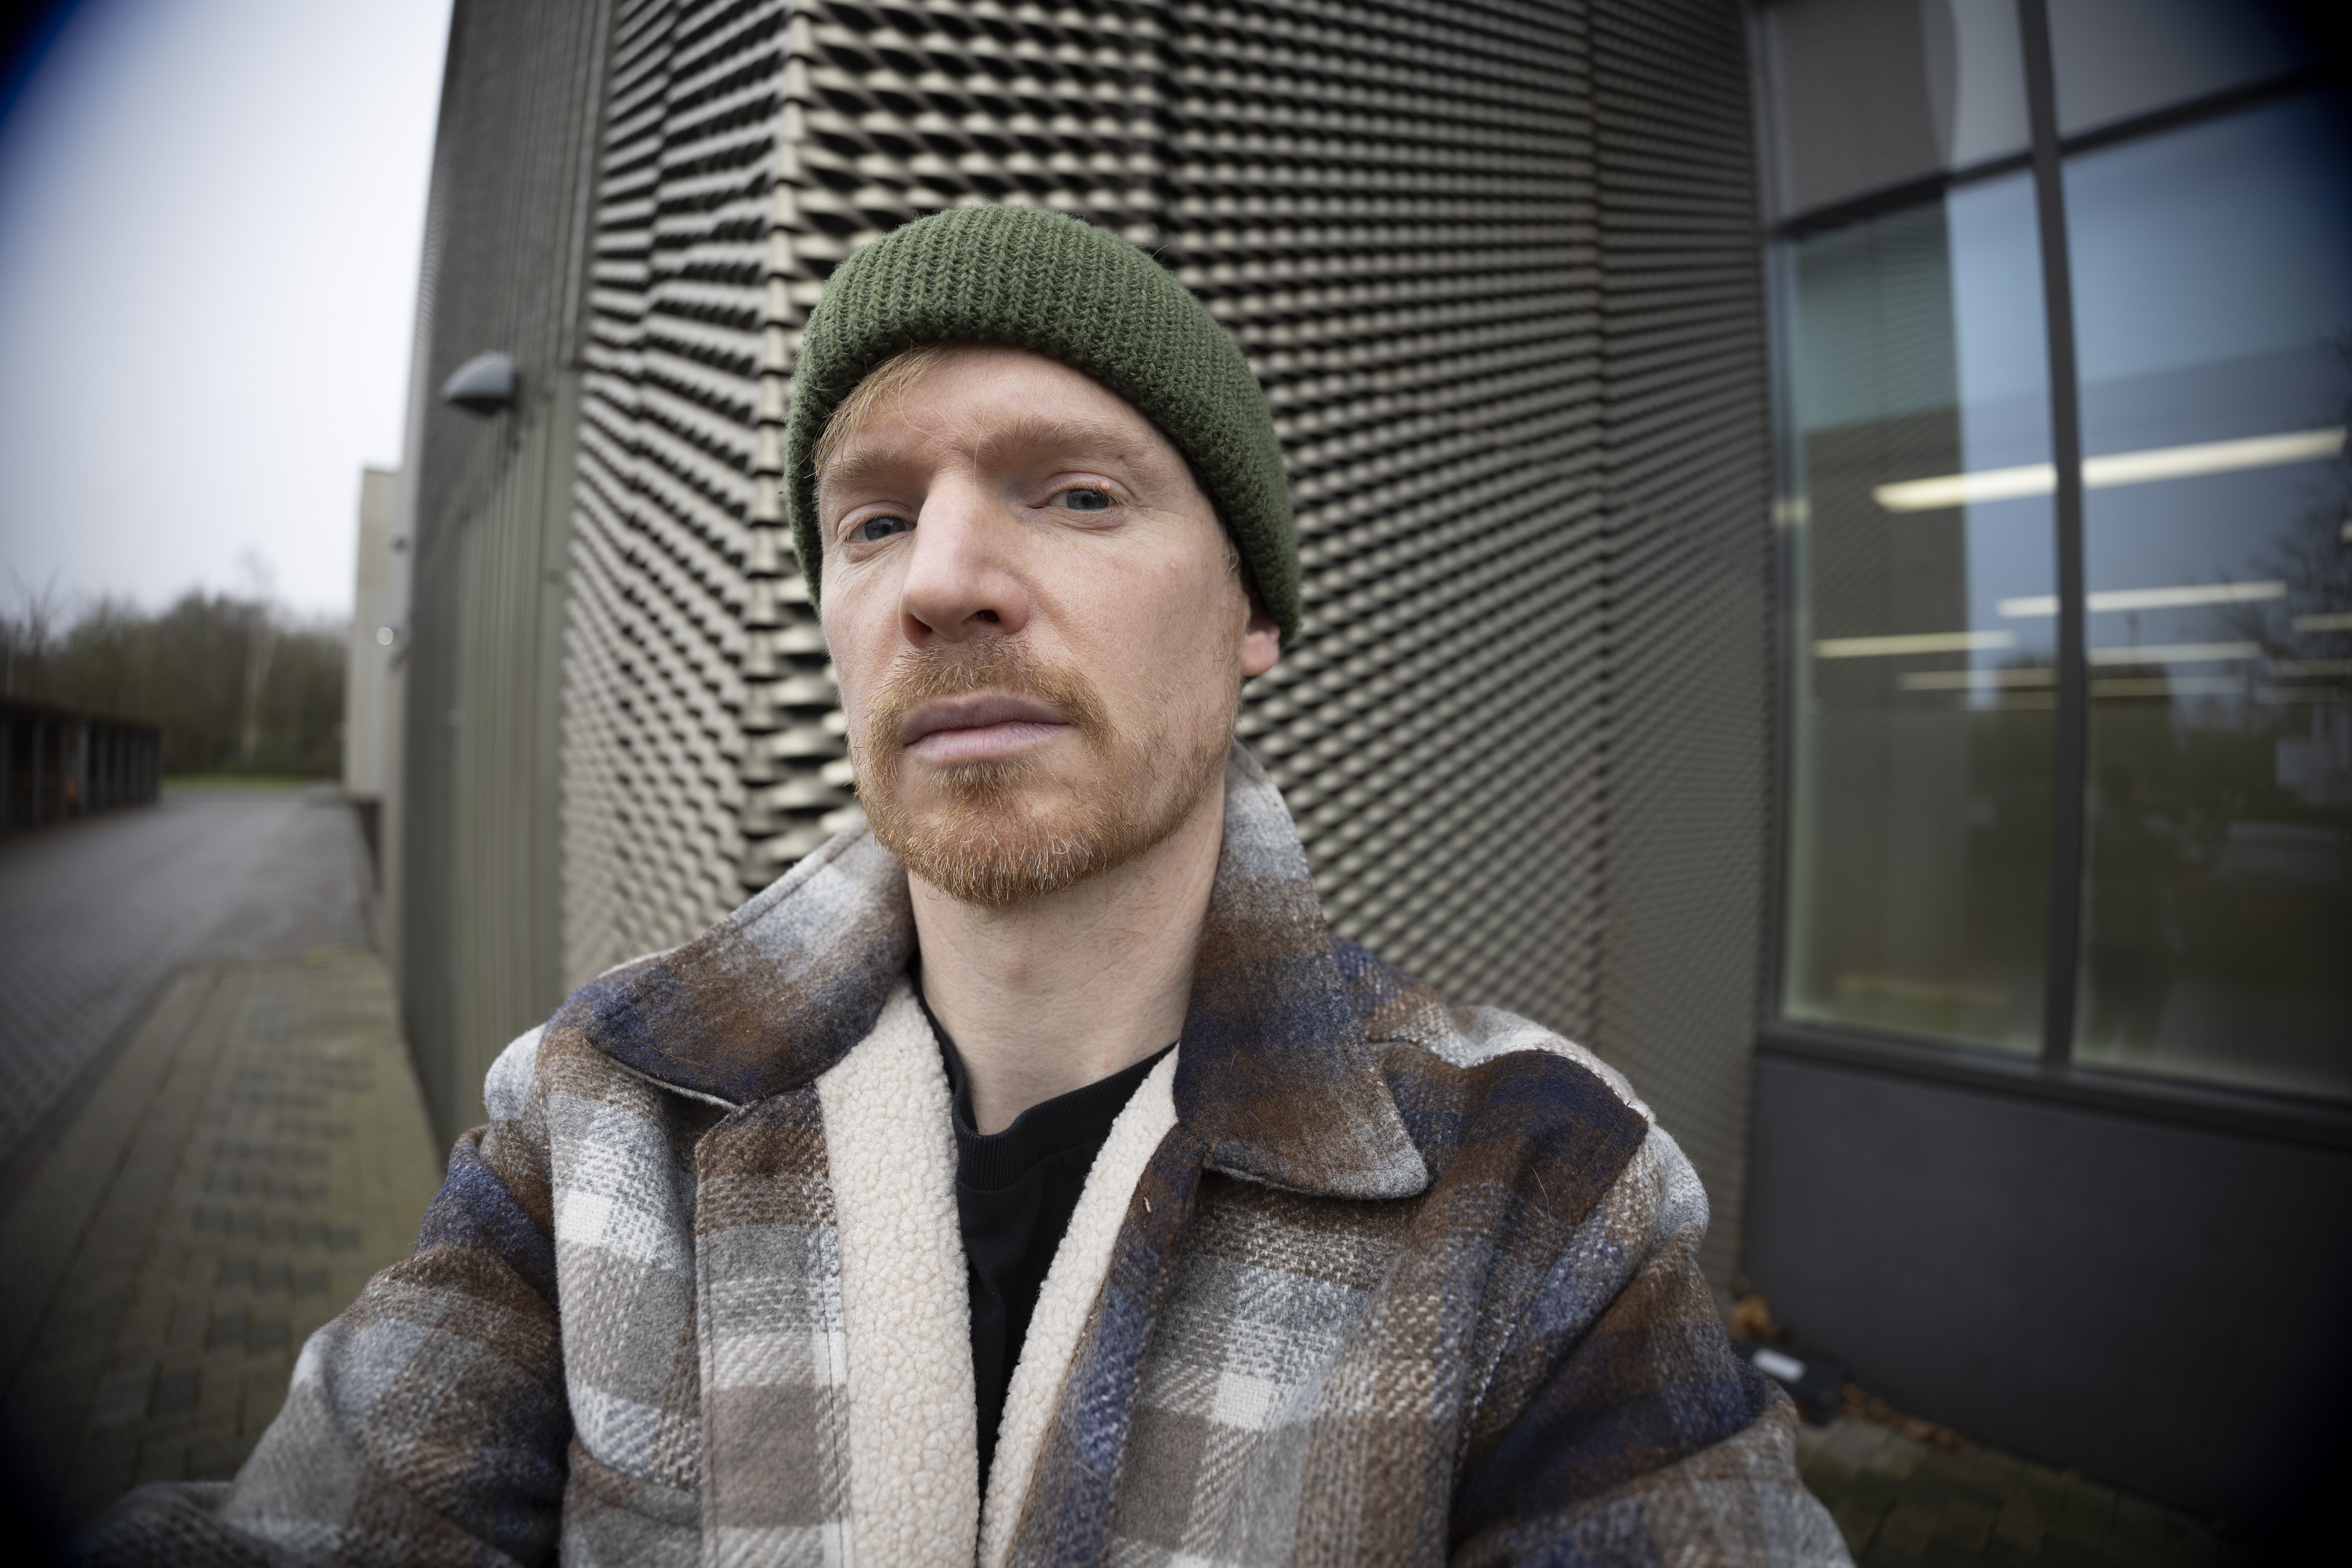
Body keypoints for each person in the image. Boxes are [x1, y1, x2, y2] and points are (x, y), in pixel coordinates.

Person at [82, 205, 1846, 1566]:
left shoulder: (1539, 1189)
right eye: (868, 519)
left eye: (1074, 493)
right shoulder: (596, 1115)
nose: (941, 580)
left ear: (1252, 624)